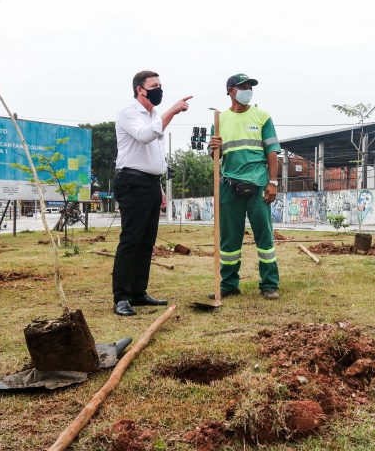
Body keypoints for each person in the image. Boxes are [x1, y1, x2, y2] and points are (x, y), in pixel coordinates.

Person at [112, 70, 192, 316]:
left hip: (149, 184)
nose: (159, 89)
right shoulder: (129, 113)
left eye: (160, 84)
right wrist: (172, 111)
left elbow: (153, 156)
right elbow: (145, 136)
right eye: (154, 85)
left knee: (147, 242)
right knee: (131, 239)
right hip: (132, 182)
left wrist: (158, 187)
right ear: (140, 89)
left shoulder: (154, 115)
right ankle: (121, 298)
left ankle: (138, 293)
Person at [208, 73, 281, 300]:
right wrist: (212, 147)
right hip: (229, 185)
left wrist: (272, 182)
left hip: (258, 184)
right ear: (231, 91)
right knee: (229, 240)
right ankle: (229, 284)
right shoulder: (220, 121)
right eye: (243, 87)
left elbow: (272, 152)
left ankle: (269, 284)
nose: (248, 90)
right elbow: (216, 157)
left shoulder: (262, 117)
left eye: (250, 87)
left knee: (264, 236)